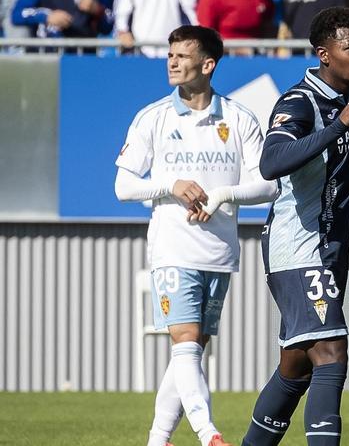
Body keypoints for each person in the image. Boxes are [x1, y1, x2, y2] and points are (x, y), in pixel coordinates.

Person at [115, 25, 279, 446]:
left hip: (219, 252)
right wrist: (170, 184)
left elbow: (267, 185)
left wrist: (223, 194)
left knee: (189, 352)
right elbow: (123, 186)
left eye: (182, 55)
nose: (172, 62)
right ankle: (209, 435)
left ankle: (157, 439)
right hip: (172, 249)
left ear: (207, 64)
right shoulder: (153, 117)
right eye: (170, 54)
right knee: (186, 343)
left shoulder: (238, 118)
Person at [242, 6, 349, 446]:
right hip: (297, 246)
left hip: (329, 249)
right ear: (323, 54)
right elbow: (271, 162)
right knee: (332, 353)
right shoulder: (300, 102)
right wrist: (338, 126)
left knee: (296, 364)